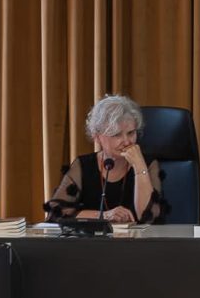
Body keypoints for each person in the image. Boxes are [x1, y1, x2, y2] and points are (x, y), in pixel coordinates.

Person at [45, 94, 164, 223]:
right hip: (95, 237)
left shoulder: (149, 164)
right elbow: (55, 213)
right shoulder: (83, 165)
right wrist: (104, 215)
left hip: (136, 237)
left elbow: (150, 219)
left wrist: (139, 166)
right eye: (116, 135)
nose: (126, 141)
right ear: (97, 137)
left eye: (131, 133)